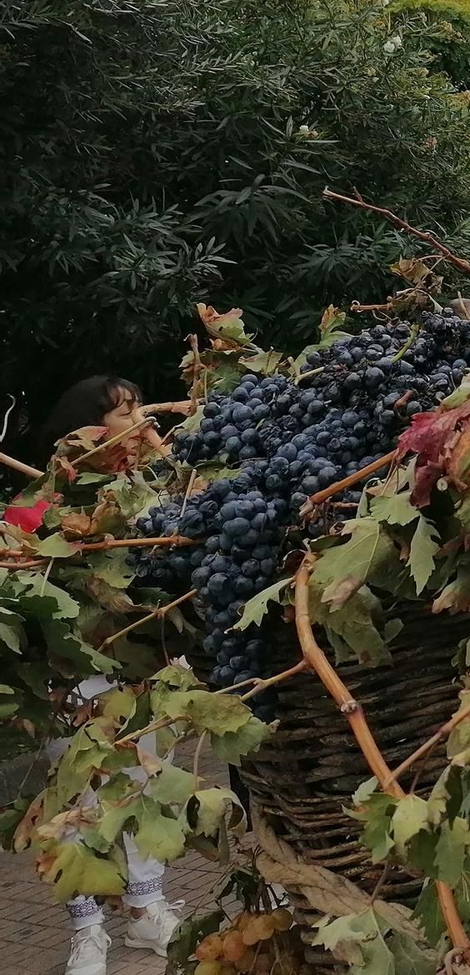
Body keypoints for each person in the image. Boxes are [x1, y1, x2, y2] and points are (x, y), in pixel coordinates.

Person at [17, 377, 184, 975]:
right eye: (124, 411)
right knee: (72, 792)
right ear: (84, 431)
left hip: (138, 665)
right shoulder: (41, 503)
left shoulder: (155, 495)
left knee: (140, 782)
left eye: (139, 406)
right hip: (69, 675)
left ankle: (146, 911)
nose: (139, 418)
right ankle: (85, 927)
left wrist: (163, 457)